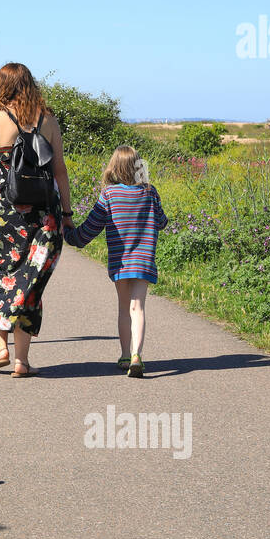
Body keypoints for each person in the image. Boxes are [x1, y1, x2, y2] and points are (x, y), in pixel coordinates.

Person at [0, 63, 75, 376]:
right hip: (43, 211)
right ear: (29, 84)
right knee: (28, 284)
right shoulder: (48, 118)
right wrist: (67, 213)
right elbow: (60, 171)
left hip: (2, 210)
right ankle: (21, 361)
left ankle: (0, 347)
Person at [63, 145, 168, 378]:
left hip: (120, 262)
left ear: (114, 167)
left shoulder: (109, 195)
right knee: (138, 307)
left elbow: (91, 227)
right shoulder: (150, 192)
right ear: (139, 166)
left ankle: (123, 355)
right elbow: (161, 222)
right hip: (144, 260)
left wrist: (71, 236)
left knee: (124, 308)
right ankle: (136, 355)